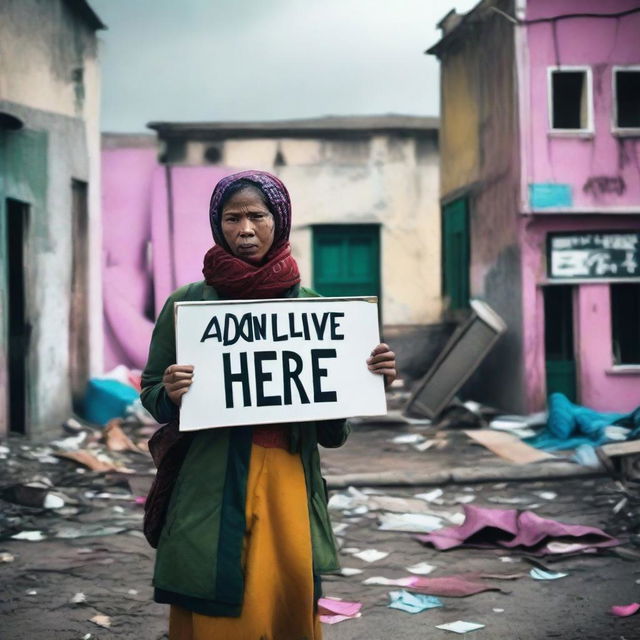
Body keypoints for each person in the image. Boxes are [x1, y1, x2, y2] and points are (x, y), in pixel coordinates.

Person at [140, 170, 396, 640]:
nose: (245, 230)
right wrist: (170, 392)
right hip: (211, 479)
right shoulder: (187, 305)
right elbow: (153, 392)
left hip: (287, 479)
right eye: (232, 218)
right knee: (218, 598)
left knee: (285, 595)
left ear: (279, 220)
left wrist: (364, 379)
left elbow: (331, 432)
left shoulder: (316, 309)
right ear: (218, 225)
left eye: (257, 215)